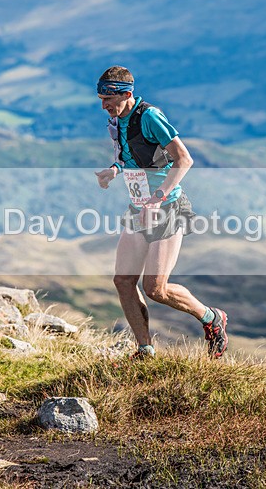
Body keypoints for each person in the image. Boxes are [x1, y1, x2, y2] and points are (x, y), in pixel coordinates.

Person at [94, 65, 228, 359]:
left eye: (108, 100)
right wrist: (113, 170)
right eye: (100, 99)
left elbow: (184, 159)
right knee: (123, 281)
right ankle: (145, 350)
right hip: (138, 208)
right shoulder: (116, 120)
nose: (103, 106)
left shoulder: (151, 117)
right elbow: (127, 154)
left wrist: (157, 198)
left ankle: (211, 318)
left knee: (156, 288)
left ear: (127, 94)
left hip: (167, 208)